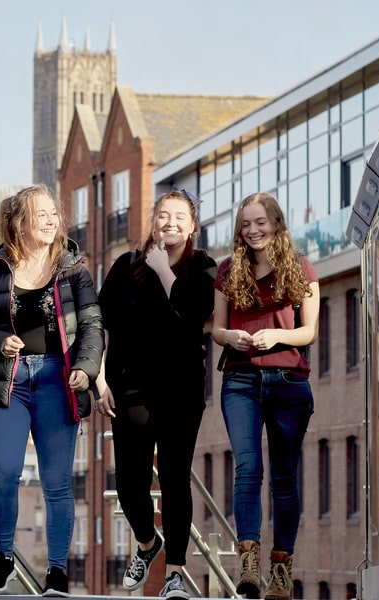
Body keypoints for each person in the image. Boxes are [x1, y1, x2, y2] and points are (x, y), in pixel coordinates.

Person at [0, 185, 102, 598]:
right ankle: (3, 556)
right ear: (20, 222)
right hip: (9, 383)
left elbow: (93, 327)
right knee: (4, 471)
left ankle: (57, 572)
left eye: (53, 214)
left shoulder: (74, 268)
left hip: (56, 381)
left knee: (57, 483)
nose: (50, 220)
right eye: (40, 214)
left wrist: (85, 369)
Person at [96, 189, 216, 599]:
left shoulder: (204, 269)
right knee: (130, 485)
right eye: (163, 216)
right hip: (129, 387)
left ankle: (176, 574)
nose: (170, 223)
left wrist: (166, 271)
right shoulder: (126, 265)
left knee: (175, 479)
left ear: (193, 226)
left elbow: (192, 321)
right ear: (153, 221)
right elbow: (101, 324)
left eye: (179, 217)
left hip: (180, 389)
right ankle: (148, 545)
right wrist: (98, 377)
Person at [211, 192, 318, 600]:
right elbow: (216, 329)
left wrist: (277, 335)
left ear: (276, 222)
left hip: (289, 382)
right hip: (240, 381)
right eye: (245, 224)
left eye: (260, 222)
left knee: (283, 479)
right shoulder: (227, 269)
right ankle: (249, 563)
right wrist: (231, 337)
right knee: (248, 468)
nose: (253, 230)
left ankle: (281, 569)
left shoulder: (301, 267)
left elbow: (309, 331)